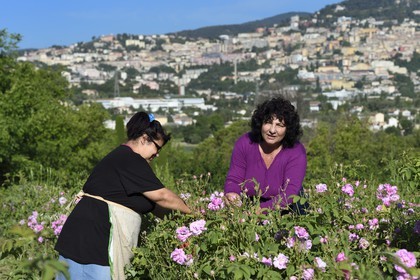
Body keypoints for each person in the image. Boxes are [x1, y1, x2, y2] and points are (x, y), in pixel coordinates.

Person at [55, 112, 191, 280]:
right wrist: (193, 212)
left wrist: (182, 223)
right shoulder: (131, 160)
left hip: (84, 239)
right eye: (157, 148)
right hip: (93, 245)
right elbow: (162, 196)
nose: (157, 154)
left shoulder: (122, 158)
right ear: (144, 138)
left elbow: (153, 206)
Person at [224, 97, 307, 214]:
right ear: (260, 123)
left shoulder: (296, 151)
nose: (272, 130)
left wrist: (257, 212)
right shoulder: (245, 143)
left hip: (287, 211)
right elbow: (234, 179)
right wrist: (232, 195)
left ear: (288, 129)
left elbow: (290, 193)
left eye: (279, 125)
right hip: (247, 206)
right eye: (268, 122)